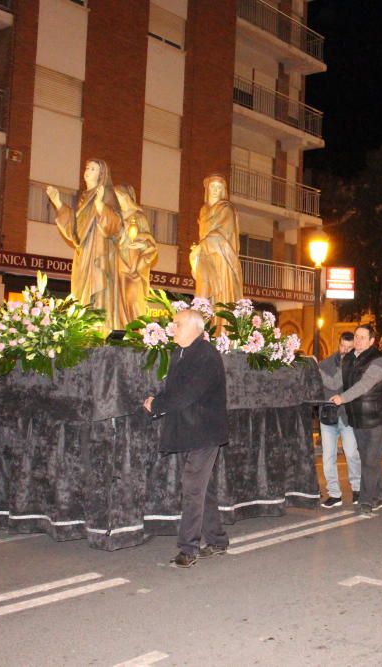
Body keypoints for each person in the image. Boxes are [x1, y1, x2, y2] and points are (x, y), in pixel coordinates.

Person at [144, 309, 229, 568]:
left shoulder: (206, 355)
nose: (172, 328)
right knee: (203, 489)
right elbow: (177, 390)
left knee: (192, 487)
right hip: (189, 430)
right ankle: (217, 540)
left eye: (177, 324)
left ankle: (188, 549)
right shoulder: (180, 352)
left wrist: (156, 404)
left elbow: (187, 393)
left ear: (195, 328)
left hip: (205, 432)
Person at [47, 159, 124, 330]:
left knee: (97, 292)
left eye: (93, 169)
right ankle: (83, 328)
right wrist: (58, 203)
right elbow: (74, 230)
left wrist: (100, 205)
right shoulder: (84, 197)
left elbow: (117, 226)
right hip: (83, 253)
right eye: (87, 167)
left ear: (101, 174)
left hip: (99, 250)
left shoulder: (106, 193)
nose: (88, 171)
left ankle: (98, 330)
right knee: (81, 293)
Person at [331, 325, 382, 515]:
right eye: (356, 336)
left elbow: (364, 385)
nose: (358, 340)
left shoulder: (380, 360)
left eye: (362, 337)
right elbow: (339, 382)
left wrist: (342, 398)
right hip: (357, 417)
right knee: (368, 459)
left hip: (377, 418)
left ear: (372, 341)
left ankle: (366, 500)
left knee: (370, 460)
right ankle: (381, 495)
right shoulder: (348, 358)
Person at [318, 332, 361, 507]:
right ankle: (334, 494)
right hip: (328, 417)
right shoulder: (325, 364)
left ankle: (357, 489)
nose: (346, 350)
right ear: (339, 344)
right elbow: (334, 384)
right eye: (343, 346)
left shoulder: (357, 365)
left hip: (347, 416)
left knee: (352, 454)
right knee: (328, 457)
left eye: (350, 348)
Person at [189, 174, 244, 306]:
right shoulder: (203, 210)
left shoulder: (226, 209)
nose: (215, 190)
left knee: (220, 297)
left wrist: (201, 246)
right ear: (207, 189)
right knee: (202, 294)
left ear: (223, 190)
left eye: (219, 187)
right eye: (213, 186)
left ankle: (221, 325)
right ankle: (202, 324)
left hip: (221, 256)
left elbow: (223, 233)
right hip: (205, 257)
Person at [113, 184, 158, 325]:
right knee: (117, 302)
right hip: (118, 264)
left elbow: (151, 243)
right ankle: (120, 330)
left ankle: (137, 332)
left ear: (125, 197)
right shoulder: (116, 217)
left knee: (133, 300)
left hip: (134, 267)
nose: (116, 200)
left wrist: (143, 245)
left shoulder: (139, 217)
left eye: (118, 196)